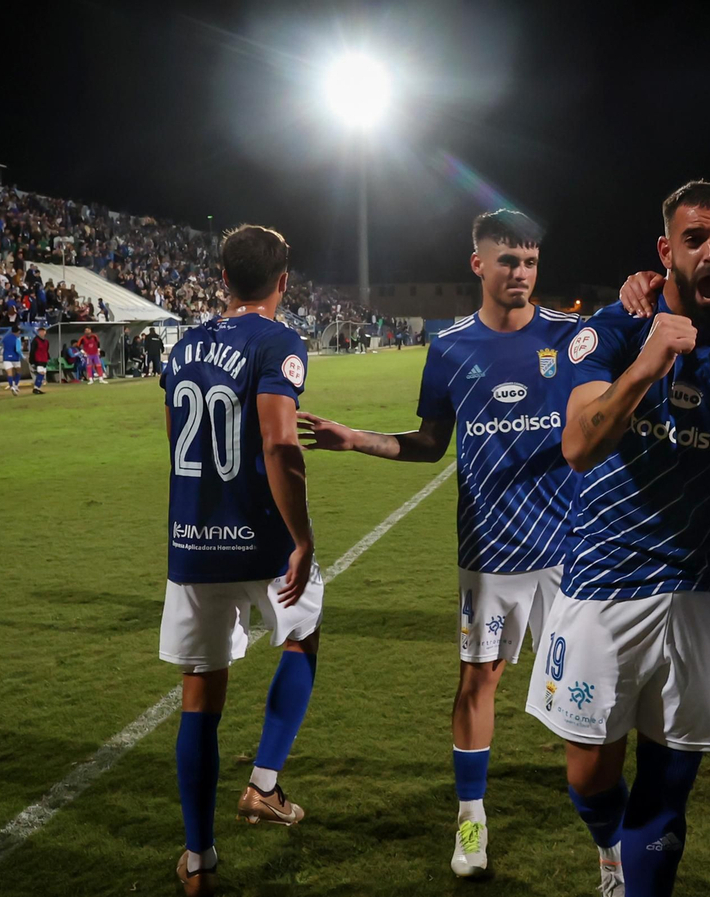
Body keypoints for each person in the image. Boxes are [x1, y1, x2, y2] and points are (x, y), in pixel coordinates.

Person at [530, 181, 710, 897]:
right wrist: (647, 364)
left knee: (667, 796)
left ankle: (638, 876)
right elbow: (578, 446)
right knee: (589, 779)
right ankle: (612, 849)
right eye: (696, 238)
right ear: (666, 251)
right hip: (603, 583)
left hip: (698, 589)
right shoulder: (615, 330)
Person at [296, 210, 587, 879]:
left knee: (588, 692)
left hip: (571, 551)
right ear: (478, 263)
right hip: (488, 554)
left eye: (531, 260)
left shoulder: (572, 339)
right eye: (507, 259)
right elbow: (431, 444)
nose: (520, 272)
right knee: (476, 682)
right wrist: (358, 439)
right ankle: (472, 819)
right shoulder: (451, 347)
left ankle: (607, 833)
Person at [161, 225, 321, 897]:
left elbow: (173, 437)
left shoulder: (182, 344)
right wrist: (303, 536)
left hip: (192, 538)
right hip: (259, 535)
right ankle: (263, 783)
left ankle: (198, 860)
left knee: (201, 688)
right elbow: (281, 443)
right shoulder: (279, 341)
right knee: (303, 636)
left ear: (221, 276)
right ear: (283, 282)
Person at [0, 325, 24, 395]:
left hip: (6, 357)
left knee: (9, 373)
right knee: (19, 371)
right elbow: (18, 350)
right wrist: (24, 357)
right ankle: (15, 385)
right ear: (18, 331)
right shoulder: (17, 339)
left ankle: (12, 386)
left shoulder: (5, 338)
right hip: (15, 358)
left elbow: (2, 346)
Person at [30, 327, 52, 394]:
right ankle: (36, 388)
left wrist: (48, 358)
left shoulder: (46, 342)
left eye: (43, 331)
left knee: (42, 374)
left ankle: (37, 388)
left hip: (44, 359)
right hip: (38, 359)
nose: (42, 333)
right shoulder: (35, 340)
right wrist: (32, 361)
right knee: (41, 373)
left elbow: (46, 350)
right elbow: (32, 351)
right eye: (40, 331)